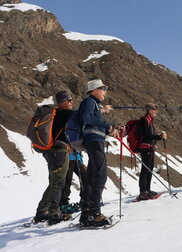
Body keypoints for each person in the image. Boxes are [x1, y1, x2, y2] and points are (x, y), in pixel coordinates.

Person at [78, 79, 118, 227]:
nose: (105, 91)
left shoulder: (94, 104)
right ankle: (94, 214)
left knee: (93, 175)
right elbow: (87, 118)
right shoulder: (89, 102)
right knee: (99, 175)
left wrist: (108, 130)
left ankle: (87, 212)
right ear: (94, 89)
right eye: (103, 88)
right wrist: (107, 126)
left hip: (94, 140)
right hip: (94, 141)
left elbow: (92, 121)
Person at [33, 91, 74, 225]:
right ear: (62, 102)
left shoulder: (55, 114)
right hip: (59, 151)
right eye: (69, 100)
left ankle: (41, 211)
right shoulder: (63, 113)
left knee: (54, 181)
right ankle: (53, 213)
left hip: (51, 151)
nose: (71, 102)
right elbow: (81, 114)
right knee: (58, 182)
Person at [136, 103, 167, 200]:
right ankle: (143, 192)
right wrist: (159, 136)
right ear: (148, 110)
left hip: (150, 148)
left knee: (149, 169)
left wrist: (159, 137)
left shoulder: (150, 121)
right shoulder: (144, 120)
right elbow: (145, 135)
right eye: (154, 109)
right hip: (145, 148)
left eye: (156, 110)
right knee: (145, 169)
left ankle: (147, 190)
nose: (155, 111)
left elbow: (150, 135)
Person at [59, 149, 87, 214]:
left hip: (77, 156)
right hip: (68, 157)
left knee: (85, 176)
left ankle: (84, 199)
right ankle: (63, 204)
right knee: (67, 180)